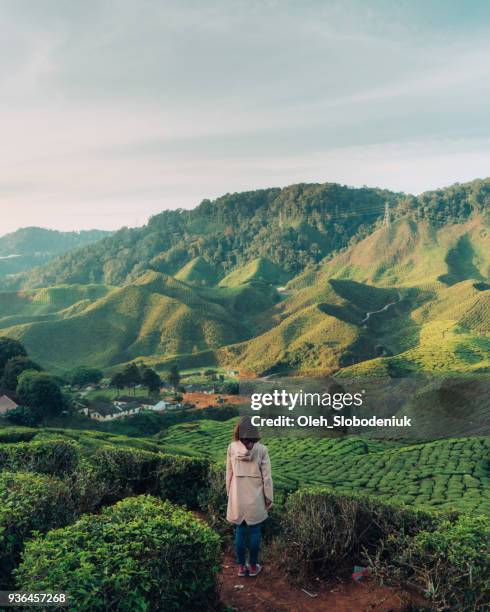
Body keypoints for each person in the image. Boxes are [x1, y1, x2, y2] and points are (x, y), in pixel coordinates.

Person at [226, 416, 273, 577]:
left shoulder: (232, 447)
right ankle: (253, 567)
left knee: (240, 530)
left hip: (237, 494)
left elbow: (229, 473)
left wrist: (229, 493)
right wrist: (269, 497)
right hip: (256, 495)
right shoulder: (262, 450)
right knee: (254, 531)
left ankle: (240, 567)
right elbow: (267, 477)